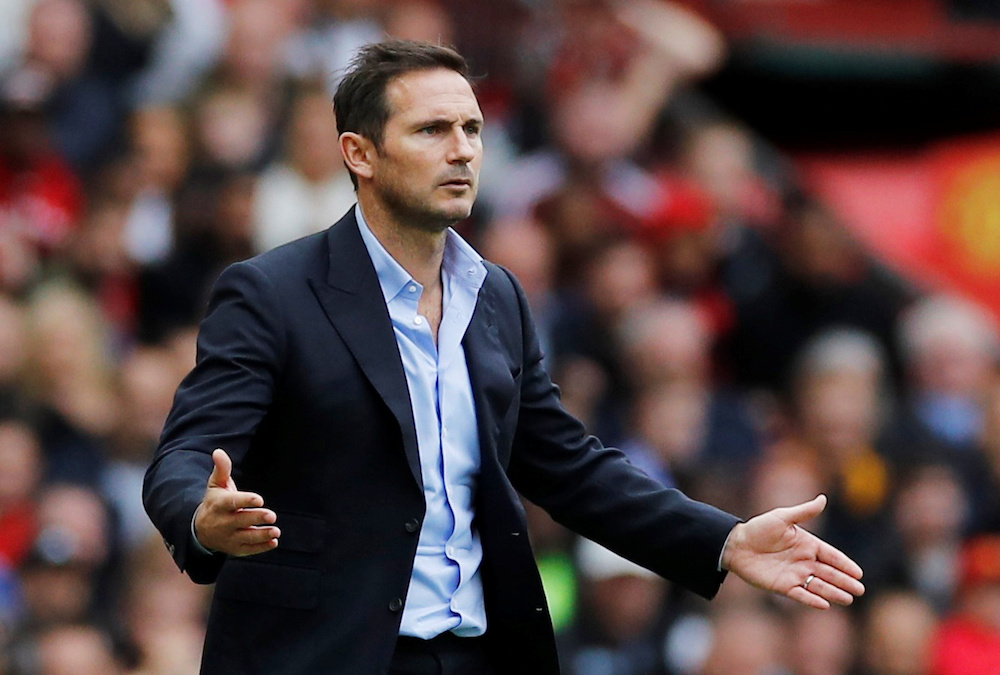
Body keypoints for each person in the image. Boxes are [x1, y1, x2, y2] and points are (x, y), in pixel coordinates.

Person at [142, 40, 864, 675]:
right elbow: (183, 458)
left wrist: (724, 538)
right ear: (359, 153)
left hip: (478, 654)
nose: (461, 149)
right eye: (433, 130)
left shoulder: (497, 296)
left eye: (472, 129)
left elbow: (567, 465)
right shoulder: (271, 292)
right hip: (323, 652)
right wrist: (202, 520)